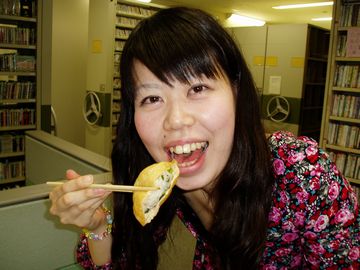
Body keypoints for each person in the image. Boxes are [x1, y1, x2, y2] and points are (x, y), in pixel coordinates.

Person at [49, 6, 359, 269]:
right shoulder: (155, 184)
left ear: (236, 92)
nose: (176, 120)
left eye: (197, 89)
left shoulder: (303, 173)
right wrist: (96, 225)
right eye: (152, 99)